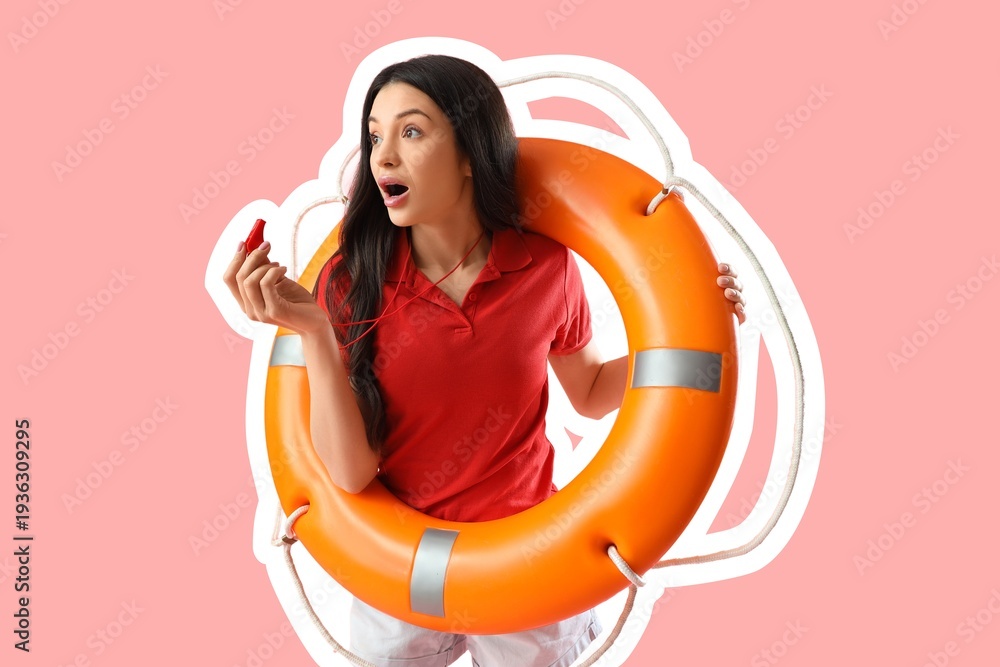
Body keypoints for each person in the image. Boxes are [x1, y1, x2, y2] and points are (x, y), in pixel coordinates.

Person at [223, 54, 745, 667]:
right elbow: (350, 473)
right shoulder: (351, 280)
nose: (382, 156)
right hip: (395, 563)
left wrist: (697, 331)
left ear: (470, 153)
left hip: (528, 557)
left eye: (411, 132)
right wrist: (312, 330)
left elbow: (591, 390)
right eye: (375, 136)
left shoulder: (546, 267)